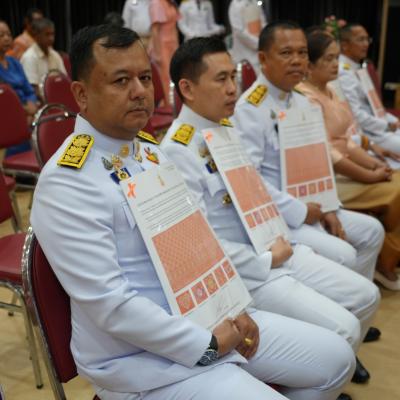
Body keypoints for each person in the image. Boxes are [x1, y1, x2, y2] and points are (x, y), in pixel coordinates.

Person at [30, 24, 356, 400]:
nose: (139, 91)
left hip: (206, 316)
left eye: (144, 78)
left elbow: (199, 244)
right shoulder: (68, 181)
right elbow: (111, 305)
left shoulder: (149, 152)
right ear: (81, 94)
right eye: (120, 81)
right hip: (142, 360)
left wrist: (232, 305)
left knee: (337, 358)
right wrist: (207, 344)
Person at [161, 35, 381, 391]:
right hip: (245, 273)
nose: (232, 88)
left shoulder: (223, 128)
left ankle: (317, 382)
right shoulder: (178, 150)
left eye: (233, 77)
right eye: (221, 79)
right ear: (187, 89)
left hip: (271, 247)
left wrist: (282, 238)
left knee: (365, 297)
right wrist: (266, 259)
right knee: (345, 331)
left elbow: (256, 193)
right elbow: (200, 247)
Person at [233, 21, 384, 285]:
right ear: (263, 59)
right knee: (344, 254)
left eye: (302, 53)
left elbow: (318, 162)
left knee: (373, 231)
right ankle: (346, 297)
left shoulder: (302, 101)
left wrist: (327, 207)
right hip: (281, 214)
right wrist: (301, 210)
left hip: (312, 204)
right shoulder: (250, 108)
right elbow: (251, 181)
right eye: (286, 53)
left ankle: (351, 296)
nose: (296, 60)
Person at [297, 31, 400, 291]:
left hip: (347, 165)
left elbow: (348, 141)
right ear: (310, 66)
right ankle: (385, 262)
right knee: (395, 190)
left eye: (336, 57)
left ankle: (387, 257)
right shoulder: (306, 97)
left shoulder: (330, 91)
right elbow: (329, 154)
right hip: (330, 176)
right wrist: (368, 175)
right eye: (329, 59)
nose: (336, 64)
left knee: (395, 180)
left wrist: (373, 164)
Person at [338, 23, 400, 153]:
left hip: (379, 126)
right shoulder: (343, 71)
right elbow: (355, 114)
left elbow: (375, 107)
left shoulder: (358, 67)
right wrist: (387, 126)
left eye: (367, 39)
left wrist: (393, 121)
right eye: (360, 39)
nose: (366, 44)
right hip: (368, 133)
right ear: (344, 45)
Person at [0, 20, 38, 124]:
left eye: (9, 34)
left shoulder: (15, 63)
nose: (6, 38)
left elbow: (29, 90)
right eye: (1, 35)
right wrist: (24, 110)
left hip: (27, 111)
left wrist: (32, 105)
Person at [20, 17, 66, 101]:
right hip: (41, 103)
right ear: (36, 36)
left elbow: (64, 80)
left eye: (52, 34)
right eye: (47, 34)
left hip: (59, 99)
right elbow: (33, 90)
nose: (51, 38)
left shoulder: (55, 55)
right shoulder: (29, 57)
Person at [149, 0, 180, 102]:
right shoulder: (156, 3)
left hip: (172, 43)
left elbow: (174, 27)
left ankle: (176, 103)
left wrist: (177, 46)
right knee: (165, 76)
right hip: (162, 45)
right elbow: (155, 30)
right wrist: (157, 54)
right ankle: (167, 104)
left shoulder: (170, 2)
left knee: (175, 74)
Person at [228, 0, 267, 69]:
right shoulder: (236, 4)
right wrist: (258, 43)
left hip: (260, 51)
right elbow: (239, 31)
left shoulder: (255, 2)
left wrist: (264, 39)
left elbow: (263, 21)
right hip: (244, 55)